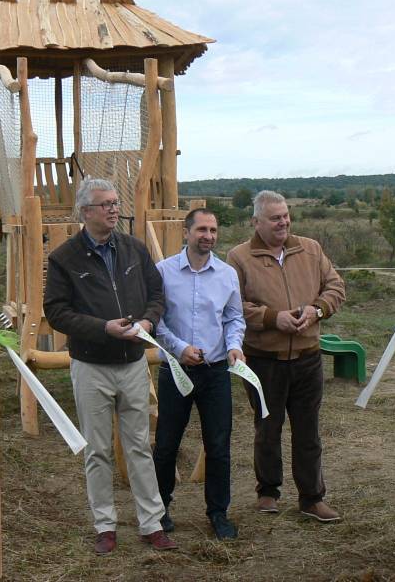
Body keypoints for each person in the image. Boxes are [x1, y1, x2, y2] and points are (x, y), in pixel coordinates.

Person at [43, 178, 177, 555]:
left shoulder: (134, 249)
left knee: (138, 446)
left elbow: (156, 294)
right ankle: (105, 525)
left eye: (115, 203)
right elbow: (56, 312)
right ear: (85, 211)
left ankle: (152, 523)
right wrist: (103, 329)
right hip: (91, 366)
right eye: (105, 204)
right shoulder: (64, 258)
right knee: (97, 450)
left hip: (133, 364)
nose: (113, 209)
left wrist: (148, 322)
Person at [226, 190, 346, 523]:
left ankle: (311, 498)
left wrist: (316, 310)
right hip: (263, 360)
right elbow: (232, 306)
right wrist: (271, 317)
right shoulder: (238, 258)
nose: (284, 222)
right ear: (256, 221)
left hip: (308, 358)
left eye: (286, 215)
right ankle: (268, 492)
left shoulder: (311, 249)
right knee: (267, 428)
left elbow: (336, 287)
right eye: (275, 217)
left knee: (308, 431)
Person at [152, 208, 246, 540]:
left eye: (214, 230)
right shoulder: (162, 272)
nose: (208, 236)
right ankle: (159, 511)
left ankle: (218, 513)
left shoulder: (227, 275)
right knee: (166, 445)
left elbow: (234, 318)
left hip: (216, 372)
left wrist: (235, 345)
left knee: (218, 446)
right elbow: (156, 321)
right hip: (176, 370)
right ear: (186, 232)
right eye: (202, 229)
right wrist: (179, 348)